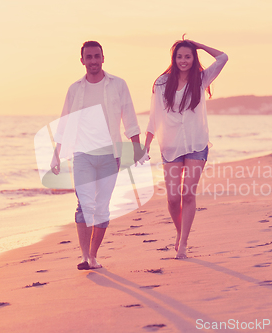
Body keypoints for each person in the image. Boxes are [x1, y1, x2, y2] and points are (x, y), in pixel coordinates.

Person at [51, 41, 145, 270]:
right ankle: (84, 257)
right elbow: (65, 121)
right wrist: (56, 154)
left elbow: (130, 118)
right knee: (83, 205)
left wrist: (136, 149)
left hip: (109, 155)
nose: (93, 61)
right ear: (82, 60)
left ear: (103, 58)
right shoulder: (75, 89)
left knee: (102, 206)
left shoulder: (118, 85)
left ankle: (93, 256)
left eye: (96, 56)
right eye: (88, 57)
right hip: (82, 154)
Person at [145, 38, 228, 259]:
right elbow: (154, 117)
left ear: (194, 58)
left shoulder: (201, 79)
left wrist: (199, 45)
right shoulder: (162, 83)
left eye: (188, 56)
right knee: (173, 198)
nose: (184, 61)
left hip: (196, 144)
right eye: (180, 56)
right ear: (174, 58)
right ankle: (180, 232)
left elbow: (223, 57)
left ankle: (183, 243)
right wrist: (146, 144)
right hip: (170, 146)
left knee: (187, 193)